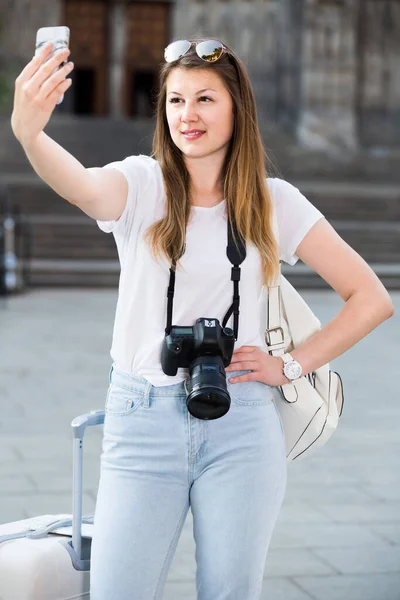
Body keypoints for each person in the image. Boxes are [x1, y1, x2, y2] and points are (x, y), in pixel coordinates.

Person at [11, 37, 394, 600]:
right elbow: (83, 187)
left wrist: (289, 365)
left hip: (242, 422)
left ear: (238, 107)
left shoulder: (274, 202)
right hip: (141, 419)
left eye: (206, 99)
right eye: (175, 100)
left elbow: (370, 297)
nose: (187, 115)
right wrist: (30, 134)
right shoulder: (141, 184)